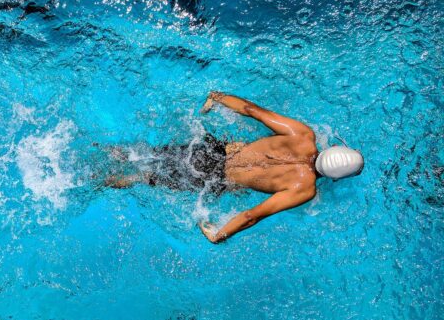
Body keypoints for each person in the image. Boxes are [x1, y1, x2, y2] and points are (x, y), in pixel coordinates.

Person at [104, 91, 364, 243]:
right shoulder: (304, 188)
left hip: (212, 150)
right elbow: (253, 215)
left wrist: (217, 98)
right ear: (335, 178)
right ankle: (99, 181)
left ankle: (102, 149)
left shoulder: (303, 135)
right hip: (214, 179)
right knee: (144, 177)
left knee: (142, 154)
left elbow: (252, 110)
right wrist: (220, 234)